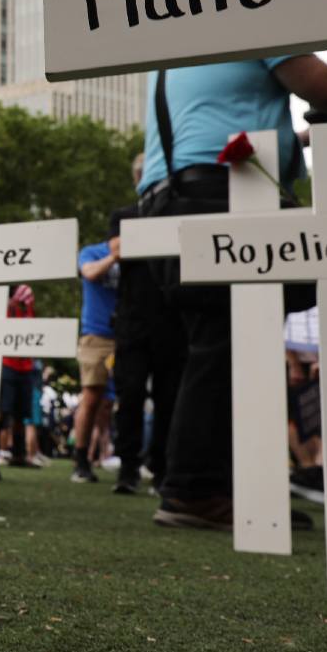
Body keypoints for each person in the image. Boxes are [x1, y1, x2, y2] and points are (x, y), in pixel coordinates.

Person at [139, 56, 327, 529]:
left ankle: (236, 488)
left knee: (221, 343)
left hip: (170, 195)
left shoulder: (181, 36)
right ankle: (196, 488)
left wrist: (296, 142)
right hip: (220, 189)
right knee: (225, 344)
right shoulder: (256, 14)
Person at [108, 160, 185, 496]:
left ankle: (163, 469)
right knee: (131, 394)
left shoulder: (177, 214)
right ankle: (128, 468)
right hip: (132, 320)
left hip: (172, 318)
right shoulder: (123, 215)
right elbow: (119, 250)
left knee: (170, 397)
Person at [72, 237, 118, 483]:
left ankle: (113, 457)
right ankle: (81, 460)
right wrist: (114, 257)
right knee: (91, 398)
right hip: (96, 336)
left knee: (111, 404)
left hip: (129, 335)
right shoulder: (91, 251)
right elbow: (88, 273)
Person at [0, 285, 41, 467]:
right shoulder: (4, 303)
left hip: (26, 366)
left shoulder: (28, 302)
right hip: (7, 363)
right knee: (2, 411)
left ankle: (19, 455)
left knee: (21, 413)